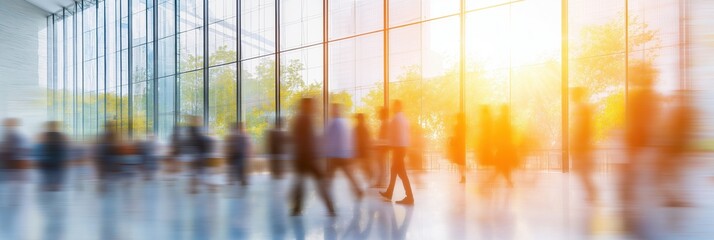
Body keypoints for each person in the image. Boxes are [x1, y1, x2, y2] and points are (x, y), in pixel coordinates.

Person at [289, 98, 336, 216]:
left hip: (302, 157)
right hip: (308, 158)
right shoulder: (305, 119)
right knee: (319, 182)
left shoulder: (300, 118)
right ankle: (330, 207)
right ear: (306, 106)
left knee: (300, 182)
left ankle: (297, 208)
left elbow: (295, 138)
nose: (313, 107)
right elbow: (309, 140)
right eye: (311, 105)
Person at [655, 90, 695, 207]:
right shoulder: (678, 112)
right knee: (673, 173)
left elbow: (671, 130)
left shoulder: (675, 112)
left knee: (671, 173)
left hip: (673, 147)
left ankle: (673, 196)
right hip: (674, 147)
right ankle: (674, 196)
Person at [324, 103, 363, 198]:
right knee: (348, 174)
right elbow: (349, 138)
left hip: (335, 155)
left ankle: (326, 191)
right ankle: (358, 190)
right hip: (344, 154)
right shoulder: (344, 122)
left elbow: (330, 139)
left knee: (330, 175)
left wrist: (327, 152)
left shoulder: (333, 123)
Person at [380, 100, 414, 205]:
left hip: (398, 148)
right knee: (394, 170)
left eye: (394, 106)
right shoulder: (404, 119)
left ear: (398, 107)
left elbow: (393, 136)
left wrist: (389, 147)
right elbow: (407, 135)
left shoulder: (396, 119)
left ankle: (409, 197)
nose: (393, 108)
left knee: (401, 172)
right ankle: (389, 193)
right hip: (402, 148)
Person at [570, 87, 596, 202]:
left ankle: (592, 192)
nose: (571, 97)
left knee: (582, 170)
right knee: (582, 170)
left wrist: (575, 142)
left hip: (581, 145)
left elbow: (579, 127)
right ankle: (591, 192)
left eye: (572, 95)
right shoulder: (583, 108)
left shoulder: (580, 108)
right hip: (584, 144)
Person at [38, 121, 68, 191]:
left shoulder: (46, 135)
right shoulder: (60, 135)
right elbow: (64, 147)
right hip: (54, 158)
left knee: (50, 172)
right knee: (54, 172)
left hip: (51, 158)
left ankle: (51, 184)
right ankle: (54, 185)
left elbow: (42, 146)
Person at [187, 116, 211, 194]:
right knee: (197, 171)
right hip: (197, 153)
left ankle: (195, 187)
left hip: (198, 153)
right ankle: (195, 187)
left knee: (197, 171)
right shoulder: (193, 130)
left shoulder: (195, 130)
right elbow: (196, 141)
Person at [97, 121, 120, 192]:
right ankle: (107, 184)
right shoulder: (112, 135)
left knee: (106, 170)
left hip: (107, 155)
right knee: (108, 170)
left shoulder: (106, 135)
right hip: (109, 155)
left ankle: (105, 184)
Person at [372, 107, 390, 188]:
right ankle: (380, 182)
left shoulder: (385, 123)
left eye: (380, 113)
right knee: (381, 165)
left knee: (381, 165)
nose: (378, 115)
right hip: (382, 147)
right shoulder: (384, 123)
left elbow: (384, 137)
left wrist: (378, 145)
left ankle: (381, 182)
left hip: (382, 147)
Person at [353, 113, 373, 184]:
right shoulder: (363, 127)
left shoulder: (359, 127)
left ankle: (370, 176)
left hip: (362, 150)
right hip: (362, 150)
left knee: (364, 166)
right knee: (364, 166)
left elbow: (363, 139)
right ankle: (370, 176)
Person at [449, 112, 467, 183]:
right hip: (462, 146)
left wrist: (452, 140)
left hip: (458, 147)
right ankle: (463, 176)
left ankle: (462, 176)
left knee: (460, 163)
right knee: (462, 162)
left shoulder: (457, 126)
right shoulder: (464, 126)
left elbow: (456, 136)